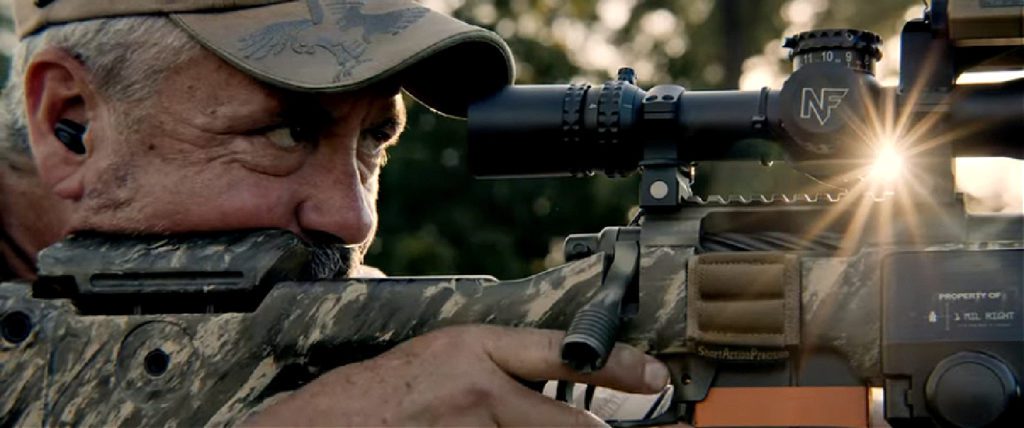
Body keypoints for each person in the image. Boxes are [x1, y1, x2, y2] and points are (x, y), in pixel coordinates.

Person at [1, 0, 670, 425]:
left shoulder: (338, 342)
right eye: (288, 133)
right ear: (72, 121)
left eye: (374, 140)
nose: (352, 219)